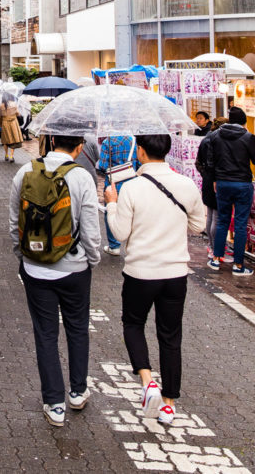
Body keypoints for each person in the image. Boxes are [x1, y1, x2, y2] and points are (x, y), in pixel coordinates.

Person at [104, 134, 206, 425]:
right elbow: (198, 226)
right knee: (171, 336)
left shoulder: (132, 188)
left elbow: (120, 233)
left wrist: (112, 202)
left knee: (133, 324)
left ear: (141, 152)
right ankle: (170, 404)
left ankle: (148, 382)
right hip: (175, 273)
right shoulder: (186, 184)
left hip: (141, 272)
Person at [9, 134, 101, 427]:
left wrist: (23, 257)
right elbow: (90, 230)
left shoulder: (24, 172)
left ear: (48, 143)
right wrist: (92, 260)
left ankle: (54, 402)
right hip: (75, 269)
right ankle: (77, 391)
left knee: (45, 334)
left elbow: (14, 225)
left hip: (36, 270)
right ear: (78, 147)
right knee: (77, 329)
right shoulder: (82, 177)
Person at [206, 106, 255, 276]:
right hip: (242, 184)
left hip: (222, 183)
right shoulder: (248, 137)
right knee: (240, 224)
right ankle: (238, 265)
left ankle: (216, 259)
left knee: (222, 221)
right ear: (243, 122)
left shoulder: (215, 136)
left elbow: (210, 161)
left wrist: (214, 179)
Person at [98, 134, 139, 256]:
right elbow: (139, 163)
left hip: (113, 184)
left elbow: (103, 166)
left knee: (111, 210)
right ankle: (133, 244)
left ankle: (114, 246)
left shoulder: (108, 141)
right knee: (133, 212)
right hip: (132, 182)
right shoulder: (134, 140)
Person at [195, 116, 227, 258]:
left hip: (208, 180)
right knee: (217, 216)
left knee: (210, 214)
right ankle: (216, 248)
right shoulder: (218, 141)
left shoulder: (206, 139)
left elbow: (198, 162)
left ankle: (211, 245)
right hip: (216, 180)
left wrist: (206, 174)